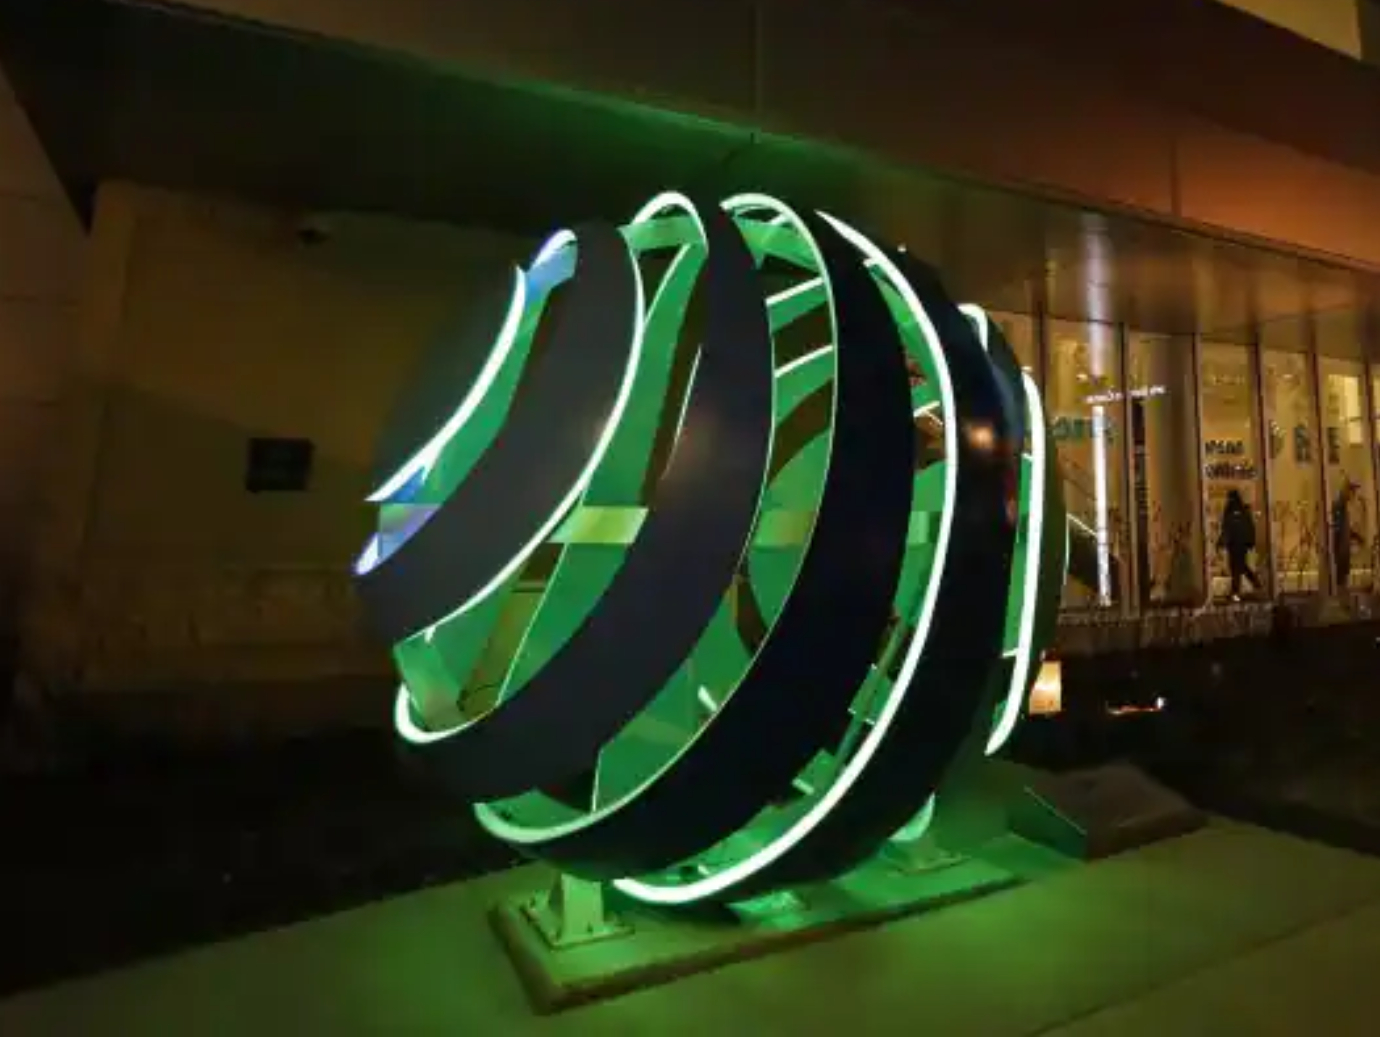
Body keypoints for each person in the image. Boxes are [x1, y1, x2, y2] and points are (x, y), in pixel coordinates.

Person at [1217, 490, 1261, 601]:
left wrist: (1221, 543)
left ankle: (1236, 592)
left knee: (1236, 568)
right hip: (1243, 544)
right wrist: (1251, 542)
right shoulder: (1244, 511)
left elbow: (1226, 529)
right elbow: (1251, 527)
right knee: (1240, 566)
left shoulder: (1229, 511)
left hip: (1234, 544)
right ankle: (1254, 584)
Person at [1331, 481, 1363, 592]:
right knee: (1341, 578)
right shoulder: (1339, 506)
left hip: (1343, 549)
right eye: (1352, 492)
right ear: (1347, 491)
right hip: (1340, 551)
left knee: (1343, 576)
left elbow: (1344, 527)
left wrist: (1355, 536)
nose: (1354, 495)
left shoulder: (1343, 506)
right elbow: (1338, 529)